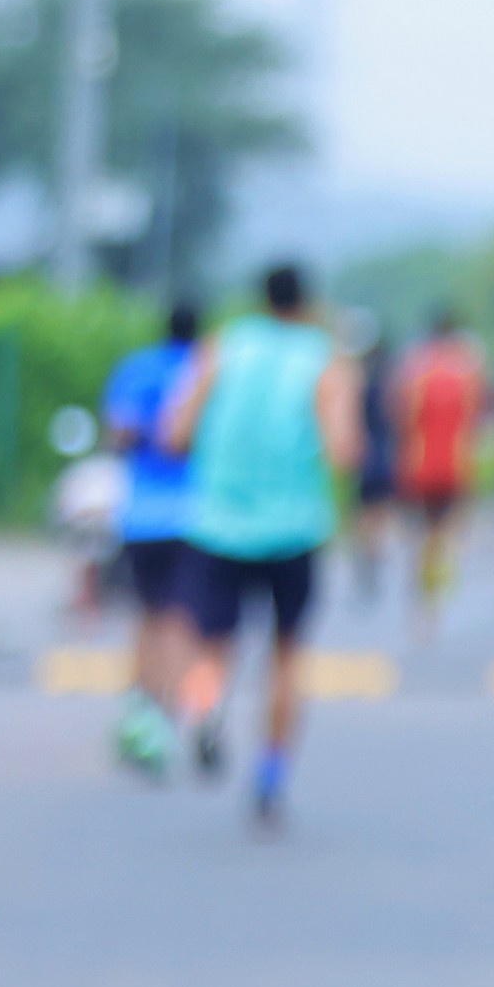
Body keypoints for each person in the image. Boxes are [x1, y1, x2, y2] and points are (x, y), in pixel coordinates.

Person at [164, 261, 359, 828]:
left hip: (218, 524)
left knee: (213, 648)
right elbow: (343, 450)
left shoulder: (222, 347)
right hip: (294, 528)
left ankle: (204, 709)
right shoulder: (324, 359)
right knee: (286, 655)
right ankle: (271, 775)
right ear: (307, 302)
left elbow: (176, 433)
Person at [98, 301, 202, 777]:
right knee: (181, 620)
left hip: (140, 515)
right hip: (195, 515)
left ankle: (141, 714)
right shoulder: (205, 371)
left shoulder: (137, 368)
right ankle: (177, 715)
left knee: (146, 617)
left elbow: (118, 431)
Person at [393, 307, 490, 631]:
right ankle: (436, 594)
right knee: (445, 533)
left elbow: (406, 417)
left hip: (420, 461)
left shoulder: (416, 367)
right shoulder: (469, 369)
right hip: (454, 462)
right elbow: (473, 421)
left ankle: (424, 601)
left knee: (422, 536)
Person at [349, 318, 399, 604]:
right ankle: (374, 553)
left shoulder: (358, 384)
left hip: (364, 455)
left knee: (364, 513)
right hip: (384, 454)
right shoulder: (388, 386)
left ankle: (367, 554)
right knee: (380, 512)